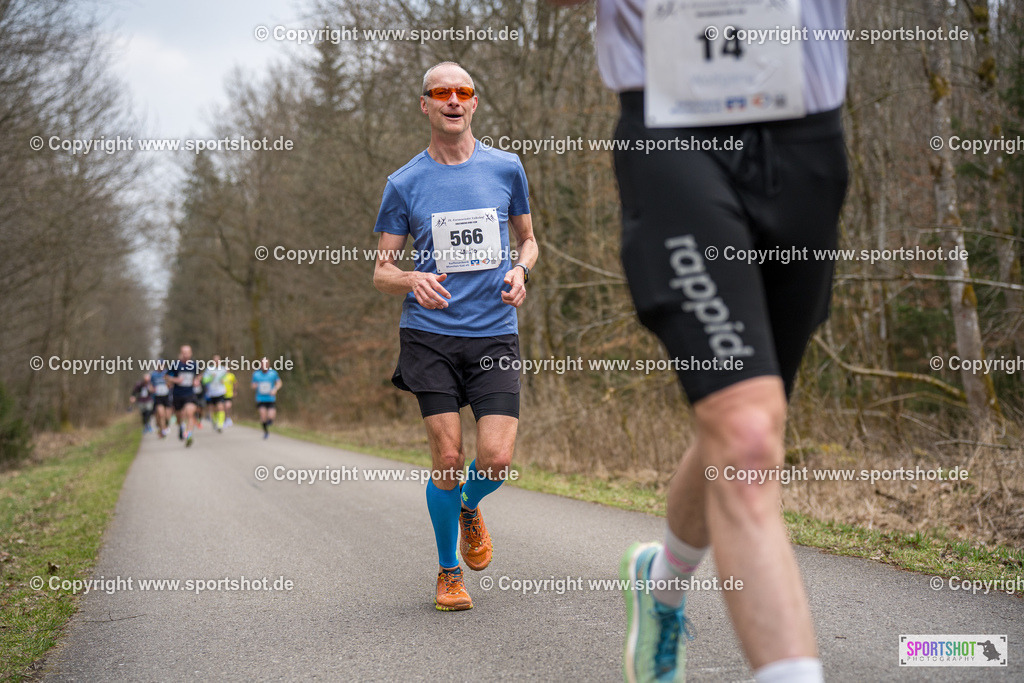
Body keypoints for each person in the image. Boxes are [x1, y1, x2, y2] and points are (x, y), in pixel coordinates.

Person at [551, 1, 849, 681]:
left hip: (805, 137)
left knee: (751, 420)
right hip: (671, 129)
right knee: (744, 430)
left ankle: (661, 581)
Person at [372, 61, 538, 612]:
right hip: (431, 336)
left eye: (463, 92)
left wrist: (521, 271)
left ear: (474, 103)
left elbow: (530, 242)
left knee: (495, 459)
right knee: (448, 456)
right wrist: (410, 277)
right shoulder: (405, 182)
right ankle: (448, 572)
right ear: (425, 105)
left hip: (493, 333)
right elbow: (381, 270)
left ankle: (469, 504)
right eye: (440, 92)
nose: (452, 100)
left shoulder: (506, 168)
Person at [166, 345, 201, 447]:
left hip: (190, 394)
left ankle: (188, 434)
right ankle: (181, 427)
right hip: (177, 395)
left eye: (187, 352)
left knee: (190, 413)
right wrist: (175, 380)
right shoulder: (175, 364)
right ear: (181, 353)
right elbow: (166, 377)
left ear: (191, 353)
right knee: (179, 416)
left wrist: (196, 380)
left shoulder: (194, 364)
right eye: (184, 352)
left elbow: (199, 375)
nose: (186, 354)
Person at [252, 358, 282, 439]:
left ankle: (268, 423)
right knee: (263, 415)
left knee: (271, 417)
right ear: (261, 365)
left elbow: (279, 383)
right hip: (260, 398)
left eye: (266, 364)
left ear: (268, 365)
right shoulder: (256, 374)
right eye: (263, 364)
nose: (264, 366)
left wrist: (275, 389)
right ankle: (266, 432)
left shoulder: (273, 373)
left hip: (270, 398)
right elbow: (253, 385)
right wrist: (255, 386)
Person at [202, 355, 229, 432]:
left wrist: (224, 380)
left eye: (218, 361)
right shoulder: (209, 370)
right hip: (211, 392)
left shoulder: (223, 369)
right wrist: (211, 377)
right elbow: (204, 381)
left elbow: (227, 378)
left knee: (220, 407)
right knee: (214, 409)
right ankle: (214, 421)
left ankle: (220, 424)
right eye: (215, 361)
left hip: (220, 391)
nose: (217, 362)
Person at [150, 361, 172, 438]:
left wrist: (169, 383)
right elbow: (151, 385)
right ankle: (163, 431)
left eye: (162, 365)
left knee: (167, 416)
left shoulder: (167, 373)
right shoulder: (153, 375)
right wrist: (152, 389)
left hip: (167, 396)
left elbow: (171, 383)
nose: (160, 366)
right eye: (158, 365)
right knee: (161, 414)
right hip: (158, 397)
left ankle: (166, 425)